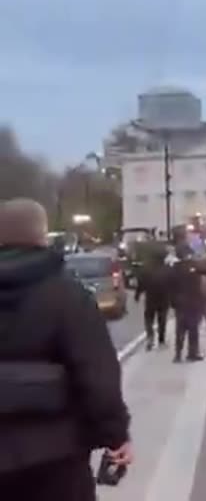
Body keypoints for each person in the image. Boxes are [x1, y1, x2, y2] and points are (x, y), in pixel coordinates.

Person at [0, 199, 132, 500]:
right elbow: (97, 373)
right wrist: (115, 434)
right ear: (43, 237)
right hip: (57, 452)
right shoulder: (67, 295)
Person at [168, 246, 205, 363]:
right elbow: (198, 284)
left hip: (180, 303)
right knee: (193, 329)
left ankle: (178, 354)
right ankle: (192, 353)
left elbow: (171, 287)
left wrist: (173, 302)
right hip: (192, 302)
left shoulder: (175, 268)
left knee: (180, 330)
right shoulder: (193, 267)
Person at [133, 242, 171, 351]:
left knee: (149, 318)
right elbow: (172, 283)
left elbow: (141, 283)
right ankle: (161, 340)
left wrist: (137, 295)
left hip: (151, 298)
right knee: (162, 319)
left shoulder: (147, 269)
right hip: (164, 298)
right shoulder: (167, 269)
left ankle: (150, 337)